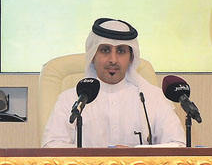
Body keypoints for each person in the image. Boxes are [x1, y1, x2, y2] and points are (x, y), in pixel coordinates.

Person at [42, 18, 185, 148]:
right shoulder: (71, 99)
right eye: (105, 50)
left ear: (131, 58)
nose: (113, 59)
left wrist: (134, 154)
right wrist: (101, 156)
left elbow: (177, 145)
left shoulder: (152, 98)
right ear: (93, 56)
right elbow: (51, 147)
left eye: (121, 51)